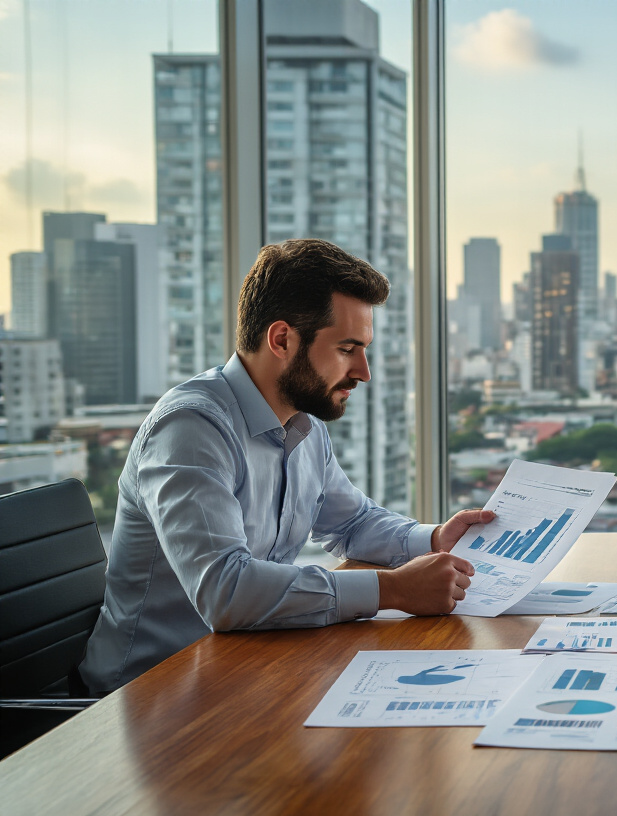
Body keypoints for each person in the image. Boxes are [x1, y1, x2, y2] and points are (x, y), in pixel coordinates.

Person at [80, 239, 487, 694]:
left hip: (245, 673)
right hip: (147, 699)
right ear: (281, 340)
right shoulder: (190, 429)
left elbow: (351, 523)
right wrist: (391, 590)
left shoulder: (302, 424)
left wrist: (431, 539)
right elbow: (225, 591)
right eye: (348, 348)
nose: (363, 371)